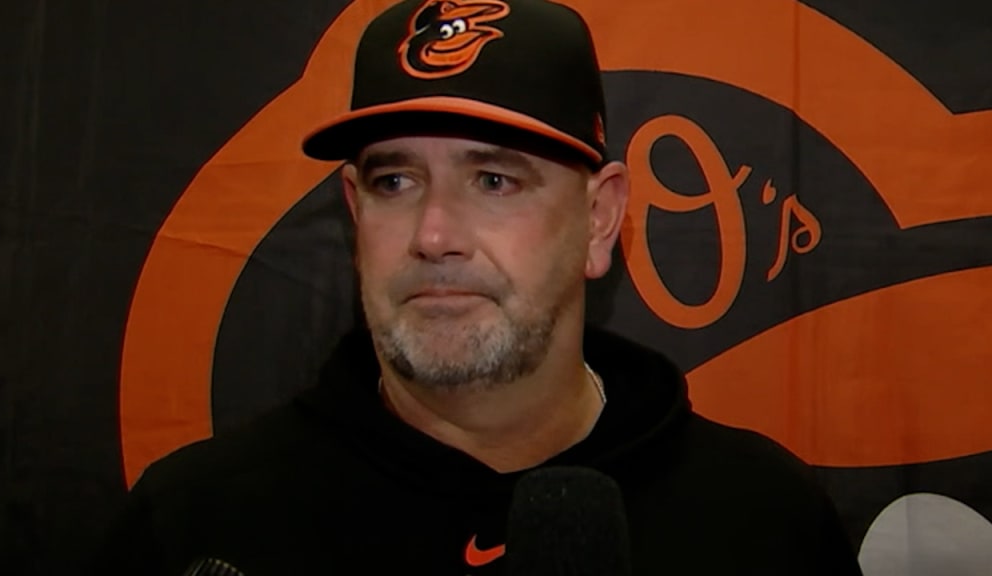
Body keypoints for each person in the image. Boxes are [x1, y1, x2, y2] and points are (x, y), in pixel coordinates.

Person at [90, 0, 864, 574]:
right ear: (354, 213)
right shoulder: (199, 528)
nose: (432, 236)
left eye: (494, 179)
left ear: (600, 219)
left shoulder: (763, 522)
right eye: (394, 180)